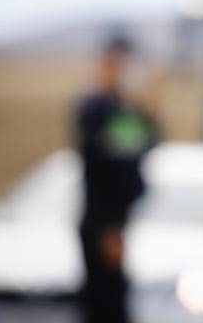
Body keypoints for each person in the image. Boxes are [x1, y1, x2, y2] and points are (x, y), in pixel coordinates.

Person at [75, 33, 155, 323]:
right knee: (105, 301)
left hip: (116, 220)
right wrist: (109, 226)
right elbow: (106, 165)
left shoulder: (122, 107)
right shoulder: (96, 108)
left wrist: (144, 110)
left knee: (115, 297)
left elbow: (146, 143)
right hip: (103, 221)